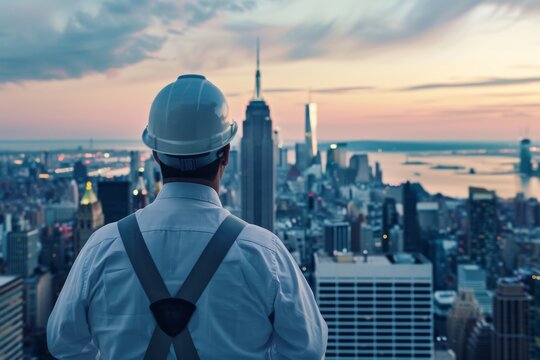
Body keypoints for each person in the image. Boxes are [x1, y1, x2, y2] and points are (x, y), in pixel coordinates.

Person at [47, 74, 328, 359]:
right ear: (226, 154)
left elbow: (63, 342)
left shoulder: (102, 247)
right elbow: (308, 349)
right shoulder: (263, 252)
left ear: (155, 155)